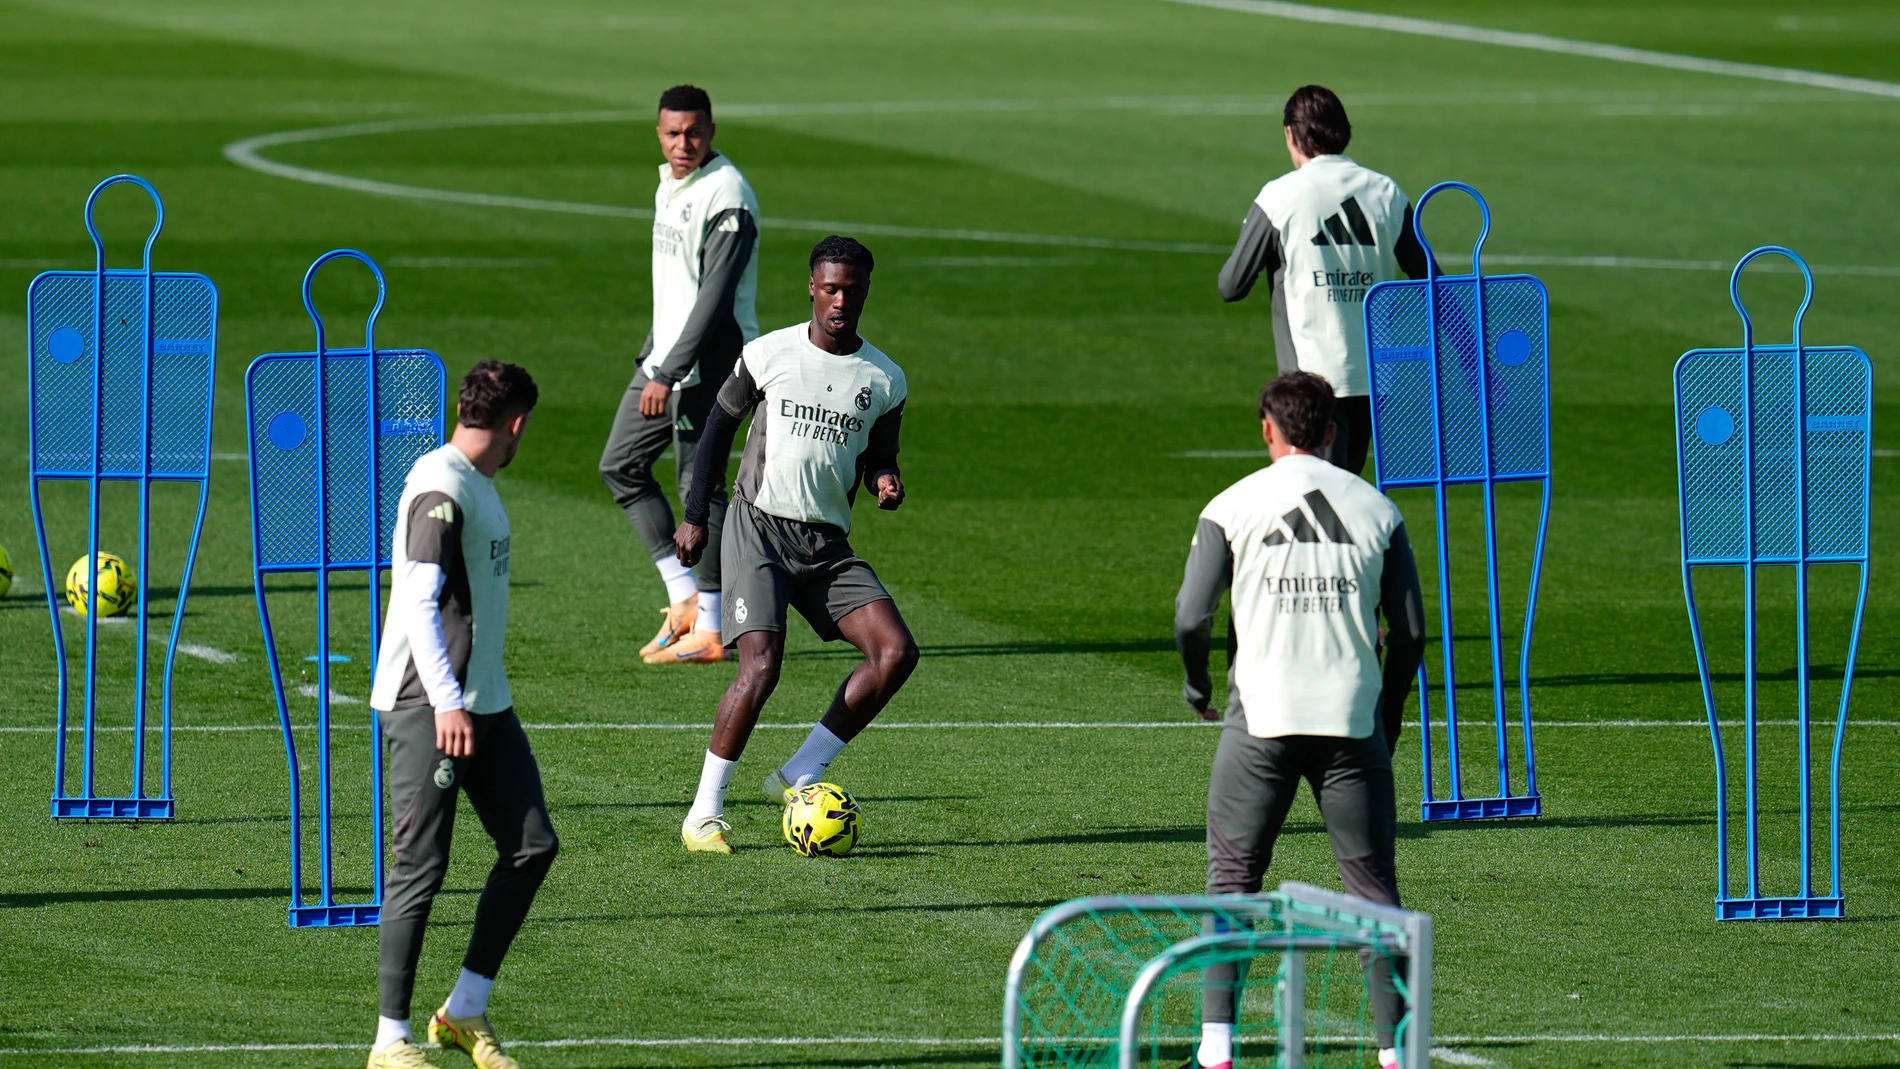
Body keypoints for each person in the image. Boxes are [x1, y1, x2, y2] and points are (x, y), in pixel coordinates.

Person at [1173, 371, 1426, 1069]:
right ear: (1333, 431)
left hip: (1260, 720)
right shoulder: (1376, 509)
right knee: (1375, 895)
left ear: (1267, 428)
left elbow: (1191, 615)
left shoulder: (1233, 504)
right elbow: (1408, 634)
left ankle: (1216, 1051)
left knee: (1233, 880)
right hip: (1351, 722)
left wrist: (1197, 684)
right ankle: (1397, 1055)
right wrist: (1391, 713)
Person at [671, 235, 918, 853]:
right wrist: (696, 516)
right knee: (761, 666)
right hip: (758, 527)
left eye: (852, 290)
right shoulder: (769, 353)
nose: (840, 301)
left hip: (826, 543)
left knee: (895, 653)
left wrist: (884, 477)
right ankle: (703, 813)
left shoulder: (884, 378)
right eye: (830, 288)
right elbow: (716, 429)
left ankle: (799, 772)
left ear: (865, 292)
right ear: (812, 287)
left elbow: (879, 452)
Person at [366, 361, 557, 1069]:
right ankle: (390, 1040)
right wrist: (446, 698)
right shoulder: (442, 488)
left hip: (483, 703)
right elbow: (417, 598)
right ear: (516, 423)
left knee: (532, 844)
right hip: (429, 705)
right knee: (418, 867)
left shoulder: (474, 481)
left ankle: (464, 1009)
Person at [599, 83, 761, 665]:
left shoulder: (728, 197)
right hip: (665, 360)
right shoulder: (670, 182)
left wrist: (667, 370)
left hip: (711, 362)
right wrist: (654, 352)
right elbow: (674, 286)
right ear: (659, 133)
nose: (682, 143)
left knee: (704, 488)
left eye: (693, 131)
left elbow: (714, 302)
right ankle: (684, 598)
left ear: (711, 130)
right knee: (620, 464)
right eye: (672, 132)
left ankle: (713, 630)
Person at [1218, 85, 1433, 476]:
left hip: (1310, 383)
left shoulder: (1281, 196)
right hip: (1374, 379)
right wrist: (1479, 370)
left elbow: (1231, 286)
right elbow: (1434, 285)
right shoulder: (1386, 192)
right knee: (1345, 490)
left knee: (1320, 497)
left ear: (1290, 133)